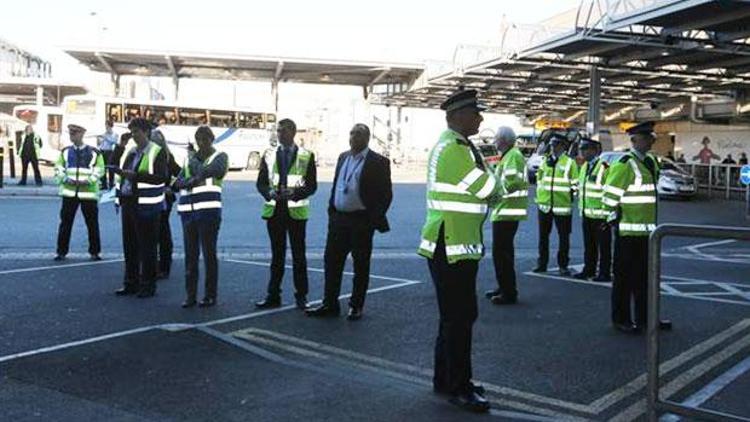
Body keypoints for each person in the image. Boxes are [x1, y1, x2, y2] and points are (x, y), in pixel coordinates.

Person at [417, 89, 502, 413]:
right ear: (456, 116)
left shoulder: (460, 147)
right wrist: (493, 180)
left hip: (454, 244)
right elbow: (488, 190)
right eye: (474, 113)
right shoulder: (454, 149)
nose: (480, 118)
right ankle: (460, 387)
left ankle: (447, 378)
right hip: (450, 245)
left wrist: (490, 182)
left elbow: (487, 192)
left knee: (453, 318)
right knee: (460, 318)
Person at [306, 123, 392, 320]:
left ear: (367, 138)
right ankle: (329, 303)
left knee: (360, 265)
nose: (354, 137)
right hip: (339, 219)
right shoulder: (343, 157)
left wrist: (373, 219)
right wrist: (332, 210)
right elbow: (337, 184)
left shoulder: (378, 162)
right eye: (352, 133)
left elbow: (385, 195)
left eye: (359, 134)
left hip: (362, 221)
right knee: (331, 263)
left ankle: (356, 305)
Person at [602, 121, 672, 334]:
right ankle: (621, 319)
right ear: (634, 140)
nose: (652, 139)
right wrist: (615, 221)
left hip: (648, 233)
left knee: (645, 279)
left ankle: (646, 319)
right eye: (647, 136)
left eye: (652, 136)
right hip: (628, 233)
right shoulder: (624, 164)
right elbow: (608, 198)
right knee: (623, 279)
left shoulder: (650, 161)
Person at [255, 118, 317, 310]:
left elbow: (312, 186)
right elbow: (261, 183)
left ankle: (301, 296)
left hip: (296, 211)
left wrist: (295, 193)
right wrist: (269, 193)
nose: (279, 134)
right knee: (277, 256)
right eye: (278, 131)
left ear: (293, 132)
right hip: (275, 210)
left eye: (282, 131)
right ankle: (273, 295)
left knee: (299, 256)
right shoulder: (269, 154)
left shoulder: (306, 155)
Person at [113, 118, 168, 298]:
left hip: (147, 205)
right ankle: (130, 282)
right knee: (130, 245)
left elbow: (161, 178)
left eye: (137, 131)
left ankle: (147, 285)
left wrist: (135, 176)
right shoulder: (131, 152)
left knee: (147, 247)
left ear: (146, 132)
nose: (134, 136)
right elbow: (123, 174)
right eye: (132, 132)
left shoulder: (156, 151)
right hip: (129, 201)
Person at [175, 126, 228, 308]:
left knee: (209, 255)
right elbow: (178, 182)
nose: (201, 143)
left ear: (212, 140)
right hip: (188, 211)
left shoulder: (220, 157)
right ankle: (190, 296)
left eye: (205, 140)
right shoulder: (190, 158)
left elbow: (210, 171)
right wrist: (190, 180)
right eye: (199, 140)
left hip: (208, 212)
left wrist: (194, 165)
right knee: (190, 256)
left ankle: (210, 295)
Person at [486, 126, 528, 305]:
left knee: (501, 254)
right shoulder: (510, 155)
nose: (494, 141)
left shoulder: (513, 156)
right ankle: (504, 287)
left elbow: (511, 183)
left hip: (506, 212)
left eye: (496, 138)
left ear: (504, 140)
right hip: (504, 212)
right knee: (504, 254)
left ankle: (508, 292)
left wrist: (492, 192)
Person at [53, 124, 104, 261]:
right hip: (70, 193)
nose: (72, 136)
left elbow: (100, 170)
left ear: (82, 134)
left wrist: (88, 181)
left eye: (75, 133)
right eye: (71, 133)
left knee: (92, 223)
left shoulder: (94, 152)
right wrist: (65, 179)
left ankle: (95, 252)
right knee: (65, 223)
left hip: (88, 193)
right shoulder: (65, 151)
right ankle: (61, 251)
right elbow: (58, 167)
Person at [533, 133, 578, 276]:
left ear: (563, 146)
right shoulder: (545, 161)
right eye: (551, 145)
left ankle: (563, 265)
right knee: (543, 237)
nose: (552, 148)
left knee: (564, 238)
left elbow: (575, 184)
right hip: (544, 206)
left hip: (562, 207)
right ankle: (542, 264)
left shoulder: (570, 163)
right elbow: (539, 180)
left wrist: (570, 197)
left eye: (556, 145)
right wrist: (541, 196)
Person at [574, 137, 612, 282]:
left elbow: (609, 191)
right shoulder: (584, 167)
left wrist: (608, 215)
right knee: (589, 245)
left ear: (595, 151)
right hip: (587, 213)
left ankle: (604, 272)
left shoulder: (604, 166)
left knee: (604, 247)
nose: (582, 152)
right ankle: (588, 269)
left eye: (585, 149)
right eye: (582, 149)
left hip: (601, 215)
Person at [150, 125, 181, 280]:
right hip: (152, 197)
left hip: (163, 198)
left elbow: (181, 173)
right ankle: (157, 264)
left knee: (161, 231)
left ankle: (163, 265)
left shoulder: (167, 156)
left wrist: (172, 187)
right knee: (157, 232)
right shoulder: (162, 155)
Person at [98, 120, 118, 190]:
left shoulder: (115, 134)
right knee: (103, 168)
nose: (106, 127)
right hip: (102, 151)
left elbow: (114, 142)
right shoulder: (104, 134)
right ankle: (104, 184)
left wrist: (105, 138)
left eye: (107, 125)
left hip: (109, 152)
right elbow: (100, 144)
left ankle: (111, 183)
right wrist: (99, 140)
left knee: (110, 168)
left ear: (110, 126)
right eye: (105, 125)